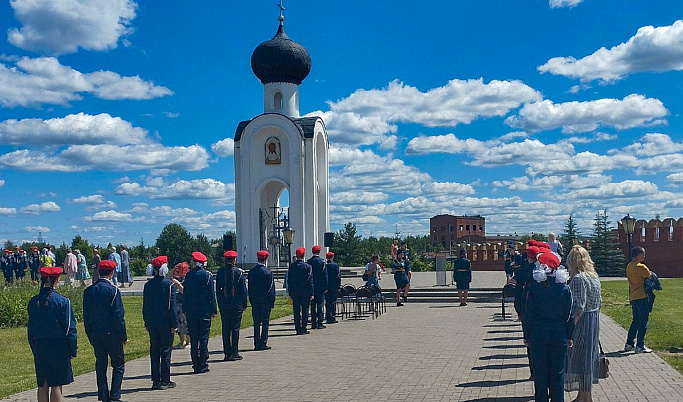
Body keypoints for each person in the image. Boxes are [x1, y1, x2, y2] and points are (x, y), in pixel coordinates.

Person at [523, 247, 574, 402]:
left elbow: (528, 314)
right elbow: (569, 315)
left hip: (538, 334)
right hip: (559, 334)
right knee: (558, 373)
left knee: (540, 374)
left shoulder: (534, 287)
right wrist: (569, 335)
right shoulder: (564, 288)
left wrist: (526, 335)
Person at [27, 266, 77, 402]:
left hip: (40, 345)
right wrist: (73, 349)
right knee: (56, 384)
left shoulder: (33, 302)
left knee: (42, 384)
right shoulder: (63, 301)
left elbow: (30, 329)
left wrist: (34, 347)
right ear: (57, 280)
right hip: (58, 346)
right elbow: (69, 328)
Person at [83, 260, 128, 402]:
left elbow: (86, 316)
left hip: (96, 332)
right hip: (112, 333)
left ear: (98, 272)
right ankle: (115, 395)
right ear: (112, 273)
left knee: (101, 364)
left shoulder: (88, 291)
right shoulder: (113, 290)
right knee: (118, 364)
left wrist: (90, 334)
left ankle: (103, 395)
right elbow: (118, 316)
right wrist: (123, 335)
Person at [565, 245, 602, 402]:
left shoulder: (578, 279)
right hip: (594, 320)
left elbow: (578, 306)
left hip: (583, 322)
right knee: (588, 358)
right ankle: (583, 395)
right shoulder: (593, 276)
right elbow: (599, 302)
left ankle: (586, 397)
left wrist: (570, 329)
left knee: (581, 359)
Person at [143, 256, 178, 390]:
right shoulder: (169, 285)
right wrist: (174, 324)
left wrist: (146, 322)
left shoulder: (148, 285)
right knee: (166, 351)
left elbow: (145, 306)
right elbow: (172, 307)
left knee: (154, 350)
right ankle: (165, 379)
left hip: (152, 322)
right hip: (166, 323)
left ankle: (155, 379)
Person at [183, 251, 216, 374]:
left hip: (191, 311)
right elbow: (211, 295)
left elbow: (186, 294)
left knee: (194, 338)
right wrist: (214, 309)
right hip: (204, 311)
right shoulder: (207, 276)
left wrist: (185, 309)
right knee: (203, 338)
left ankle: (195, 363)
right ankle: (203, 363)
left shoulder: (189, 276)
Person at [216, 250, 247, 361]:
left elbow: (217, 291)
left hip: (224, 305)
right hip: (236, 305)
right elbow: (243, 290)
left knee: (225, 329)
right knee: (235, 329)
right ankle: (234, 352)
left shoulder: (220, 272)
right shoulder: (239, 273)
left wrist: (219, 303)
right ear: (234, 260)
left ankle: (227, 353)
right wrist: (244, 304)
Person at [624, 246, 654, 354]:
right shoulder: (641, 267)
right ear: (638, 255)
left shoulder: (629, 266)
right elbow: (651, 277)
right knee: (643, 321)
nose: (644, 256)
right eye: (643, 254)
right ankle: (640, 345)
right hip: (642, 295)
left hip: (633, 296)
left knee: (635, 320)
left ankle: (629, 343)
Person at [248, 250, 276, 350]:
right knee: (265, 322)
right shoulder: (268, 272)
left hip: (255, 301)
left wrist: (251, 300)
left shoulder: (251, 272)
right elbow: (270, 289)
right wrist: (272, 301)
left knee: (256, 323)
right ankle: (263, 342)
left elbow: (250, 288)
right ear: (265, 259)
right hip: (265, 302)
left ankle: (256, 343)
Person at [288, 247, 314, 335]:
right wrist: (311, 293)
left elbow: (289, 280)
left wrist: (290, 292)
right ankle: (304, 328)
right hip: (305, 292)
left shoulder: (292, 267)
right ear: (303, 255)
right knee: (305, 310)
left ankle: (297, 328)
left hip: (295, 292)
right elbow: (310, 281)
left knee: (296, 310)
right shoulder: (307, 266)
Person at [171, 262, 190, 348]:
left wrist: (178, 284)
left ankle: (188, 342)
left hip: (184, 304)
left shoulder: (187, 279)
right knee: (178, 324)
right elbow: (167, 278)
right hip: (176, 304)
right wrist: (173, 268)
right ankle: (182, 341)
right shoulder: (175, 278)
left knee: (186, 324)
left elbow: (184, 292)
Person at [307, 245, 327, 329]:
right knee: (319, 304)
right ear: (319, 252)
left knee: (312, 304)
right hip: (320, 286)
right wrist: (326, 287)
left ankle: (313, 323)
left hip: (311, 286)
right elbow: (325, 275)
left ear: (312, 252)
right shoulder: (322, 262)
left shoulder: (308, 262)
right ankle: (320, 322)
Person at [324, 252, 340, 324]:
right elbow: (338, 276)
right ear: (332, 257)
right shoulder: (335, 265)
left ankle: (327, 317)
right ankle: (332, 317)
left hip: (326, 286)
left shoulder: (325, 265)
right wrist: (338, 286)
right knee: (333, 302)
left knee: (327, 302)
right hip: (334, 286)